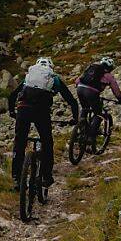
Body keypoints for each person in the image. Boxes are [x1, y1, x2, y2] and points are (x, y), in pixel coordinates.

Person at [9, 57, 79, 188]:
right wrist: (75, 118)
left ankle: (16, 178)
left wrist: (12, 112)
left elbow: (13, 95)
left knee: (20, 141)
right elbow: (71, 101)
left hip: (23, 109)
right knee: (47, 141)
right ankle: (47, 177)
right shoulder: (54, 78)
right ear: (50, 68)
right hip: (41, 111)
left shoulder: (29, 77)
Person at [75, 56, 121, 139]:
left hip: (80, 89)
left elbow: (77, 80)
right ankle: (91, 137)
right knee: (98, 114)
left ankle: (81, 129)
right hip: (92, 92)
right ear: (110, 67)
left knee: (85, 109)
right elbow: (115, 89)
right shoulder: (108, 75)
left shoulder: (91, 68)